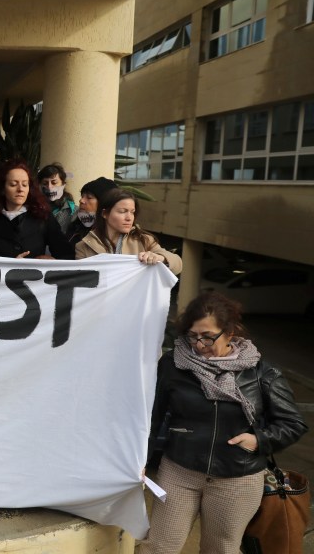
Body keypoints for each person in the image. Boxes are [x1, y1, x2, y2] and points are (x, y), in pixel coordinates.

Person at [140, 292, 307, 554]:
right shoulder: (173, 364)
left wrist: (258, 440)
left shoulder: (260, 371)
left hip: (237, 478)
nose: (199, 344)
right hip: (179, 471)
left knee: (221, 549)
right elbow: (150, 416)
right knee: (158, 546)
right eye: (193, 335)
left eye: (208, 336)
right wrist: (139, 459)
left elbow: (293, 423)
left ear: (229, 332)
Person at [75, 188, 182, 275]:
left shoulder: (144, 240)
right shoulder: (84, 246)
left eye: (132, 212)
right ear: (105, 214)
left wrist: (161, 258)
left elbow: (178, 265)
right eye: (122, 211)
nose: (129, 218)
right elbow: (81, 282)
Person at [0, 159, 75, 259]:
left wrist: (52, 262)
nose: (20, 189)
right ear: (2, 189)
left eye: (25, 184)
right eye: (13, 184)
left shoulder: (43, 216)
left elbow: (66, 254)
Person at [66, 176, 118, 245]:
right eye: (82, 196)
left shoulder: (116, 233)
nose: (81, 200)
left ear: (103, 203)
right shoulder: (75, 228)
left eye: (89, 197)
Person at [37, 163, 77, 234]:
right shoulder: (34, 208)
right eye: (45, 183)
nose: (49, 187)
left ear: (63, 184)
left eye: (54, 182)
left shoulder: (73, 211)